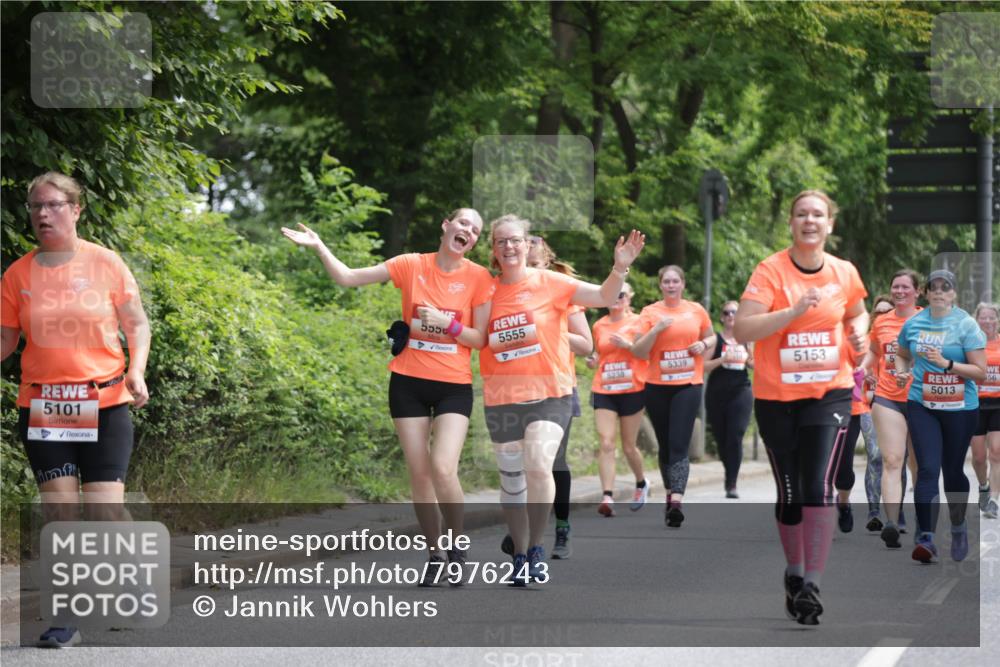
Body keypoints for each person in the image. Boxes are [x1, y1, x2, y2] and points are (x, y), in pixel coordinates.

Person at [282, 208, 493, 585]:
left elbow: (480, 339)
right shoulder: (412, 264)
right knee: (420, 473)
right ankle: (435, 554)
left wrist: (449, 324)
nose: (469, 232)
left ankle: (458, 545)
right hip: (408, 381)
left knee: (443, 467)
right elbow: (348, 278)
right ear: (446, 225)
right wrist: (319, 247)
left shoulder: (478, 277)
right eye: (463, 224)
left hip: (453, 386)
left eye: (475, 231)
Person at [1, 172, 151, 648]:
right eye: (35, 207)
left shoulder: (106, 263)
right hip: (46, 405)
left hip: (104, 400)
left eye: (53, 205)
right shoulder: (18, 274)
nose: (43, 215)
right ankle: (66, 618)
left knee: (105, 513)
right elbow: (5, 339)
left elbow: (137, 323)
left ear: (76, 209)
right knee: (61, 515)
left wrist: (137, 371)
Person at [480, 214, 643, 586]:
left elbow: (603, 296)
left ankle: (536, 547)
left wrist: (619, 269)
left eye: (515, 240)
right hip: (501, 396)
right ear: (493, 250)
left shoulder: (551, 282)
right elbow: (472, 334)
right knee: (511, 483)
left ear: (527, 244)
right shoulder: (485, 291)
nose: (509, 247)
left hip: (549, 393)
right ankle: (519, 555)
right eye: (501, 241)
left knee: (538, 464)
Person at [734, 190, 868, 625]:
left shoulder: (844, 272)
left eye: (818, 215)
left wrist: (858, 336)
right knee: (789, 493)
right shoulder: (770, 271)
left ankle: (811, 582)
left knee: (818, 486)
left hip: (829, 392)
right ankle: (793, 572)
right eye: (801, 214)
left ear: (830, 224)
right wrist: (791, 312)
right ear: (791, 223)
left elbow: (857, 313)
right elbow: (742, 329)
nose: (809, 221)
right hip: (776, 397)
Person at [895, 269, 986, 563]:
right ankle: (926, 537)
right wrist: (900, 372)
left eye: (944, 288)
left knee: (952, 472)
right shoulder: (914, 324)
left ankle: (958, 527)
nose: (938, 292)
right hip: (922, 405)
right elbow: (902, 353)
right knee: (927, 470)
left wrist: (948, 364)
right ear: (925, 292)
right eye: (933, 288)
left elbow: (981, 373)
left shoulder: (966, 325)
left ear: (954, 294)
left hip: (960, 409)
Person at [524, 236, 593, 558]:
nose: (530, 270)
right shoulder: (508, 292)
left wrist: (549, 328)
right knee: (523, 464)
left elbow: (586, 344)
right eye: (527, 264)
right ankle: (524, 529)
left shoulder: (563, 293)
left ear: (548, 265)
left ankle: (561, 527)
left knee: (552, 462)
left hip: (557, 388)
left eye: (536, 265)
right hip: (515, 387)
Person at [631, 265, 715, 528]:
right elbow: (638, 351)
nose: (670, 285)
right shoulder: (649, 313)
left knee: (679, 442)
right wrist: (656, 330)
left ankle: (677, 500)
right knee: (666, 445)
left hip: (688, 384)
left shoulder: (696, 310)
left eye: (675, 281)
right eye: (666, 281)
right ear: (660, 285)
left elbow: (712, 337)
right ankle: (670, 493)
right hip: (656, 385)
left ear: (683, 284)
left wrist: (703, 344)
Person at [862, 270, 921, 547]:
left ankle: (924, 523)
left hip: (922, 398)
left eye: (905, 287)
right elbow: (874, 351)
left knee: (919, 463)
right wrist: (863, 370)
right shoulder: (882, 323)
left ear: (917, 292)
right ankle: (892, 523)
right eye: (895, 286)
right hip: (887, 396)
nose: (899, 291)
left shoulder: (928, 320)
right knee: (892, 460)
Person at [586, 282, 650, 515]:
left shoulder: (639, 322)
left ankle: (642, 482)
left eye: (621, 294)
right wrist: (593, 360)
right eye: (613, 294)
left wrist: (629, 345)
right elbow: (599, 353)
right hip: (604, 388)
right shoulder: (599, 325)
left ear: (629, 298)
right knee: (606, 442)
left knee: (629, 446)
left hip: (632, 388)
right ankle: (607, 496)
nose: (617, 298)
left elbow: (646, 353)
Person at [703, 300, 754, 499]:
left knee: (735, 435)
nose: (731, 315)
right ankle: (729, 470)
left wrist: (751, 361)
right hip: (717, 394)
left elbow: (753, 363)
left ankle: (731, 482)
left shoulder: (747, 339)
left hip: (740, 392)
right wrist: (722, 359)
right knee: (722, 438)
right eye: (727, 312)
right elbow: (704, 367)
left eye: (735, 312)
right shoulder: (715, 339)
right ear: (722, 317)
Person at [971, 302, 1000, 519]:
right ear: (977, 319)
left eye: (992, 318)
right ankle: (983, 487)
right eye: (984, 318)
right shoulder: (971, 344)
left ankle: (993, 499)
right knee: (979, 456)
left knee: (997, 452)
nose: (988, 321)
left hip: (998, 403)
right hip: (976, 403)